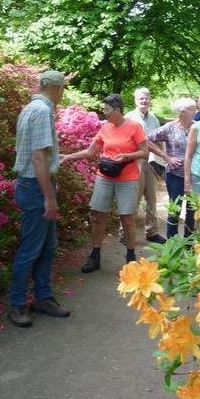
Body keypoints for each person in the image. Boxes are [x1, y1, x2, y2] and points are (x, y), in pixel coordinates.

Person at [9, 70, 71, 328]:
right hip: (36, 188)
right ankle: (17, 304)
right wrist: (49, 198)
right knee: (31, 250)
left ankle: (43, 298)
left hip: (32, 186)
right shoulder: (43, 111)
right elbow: (38, 158)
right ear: (58, 89)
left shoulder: (29, 108)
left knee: (47, 247)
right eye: (63, 90)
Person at [61, 94, 148, 273]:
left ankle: (131, 259)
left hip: (127, 179)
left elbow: (144, 152)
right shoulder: (105, 128)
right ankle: (95, 256)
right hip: (105, 178)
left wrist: (127, 156)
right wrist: (68, 156)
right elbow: (91, 151)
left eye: (106, 109)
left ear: (117, 110)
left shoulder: (134, 127)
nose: (104, 112)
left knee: (127, 219)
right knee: (98, 217)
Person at [147, 97, 197, 238]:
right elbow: (146, 139)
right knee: (175, 210)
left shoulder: (197, 127)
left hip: (194, 175)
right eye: (192, 109)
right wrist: (166, 157)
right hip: (175, 175)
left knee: (192, 210)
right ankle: (172, 242)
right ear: (182, 112)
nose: (196, 112)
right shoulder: (170, 127)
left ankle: (189, 244)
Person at [125, 87, 166, 244]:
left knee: (152, 199)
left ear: (150, 99)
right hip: (134, 162)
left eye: (146, 98)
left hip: (151, 162)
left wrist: (161, 162)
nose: (144, 100)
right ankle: (125, 234)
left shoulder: (154, 119)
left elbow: (158, 140)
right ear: (135, 99)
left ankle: (152, 232)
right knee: (132, 200)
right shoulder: (129, 117)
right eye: (141, 98)